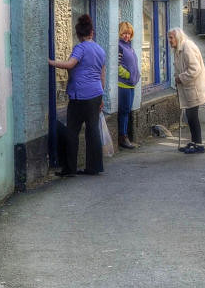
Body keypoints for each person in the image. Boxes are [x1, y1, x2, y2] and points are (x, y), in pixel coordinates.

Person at [49, 14, 107, 175]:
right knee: (92, 130)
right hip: (96, 95)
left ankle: (69, 168)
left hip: (80, 96)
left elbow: (70, 64)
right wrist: (101, 97)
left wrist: (51, 62)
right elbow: (102, 76)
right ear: (92, 33)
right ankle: (94, 167)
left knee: (72, 131)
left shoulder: (80, 48)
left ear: (78, 35)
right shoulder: (100, 50)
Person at [169, 27, 205, 154]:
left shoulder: (187, 47)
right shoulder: (179, 49)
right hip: (189, 89)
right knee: (190, 116)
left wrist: (180, 78)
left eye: (171, 37)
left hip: (194, 89)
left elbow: (195, 69)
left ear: (178, 37)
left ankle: (199, 144)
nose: (169, 40)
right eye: (169, 37)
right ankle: (194, 142)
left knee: (192, 116)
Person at [117, 21, 140, 149]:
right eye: (124, 33)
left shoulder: (129, 46)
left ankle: (125, 136)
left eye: (129, 33)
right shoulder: (120, 47)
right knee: (124, 111)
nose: (127, 36)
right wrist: (128, 75)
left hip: (131, 85)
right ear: (120, 33)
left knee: (127, 110)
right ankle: (123, 137)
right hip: (124, 85)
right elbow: (117, 65)